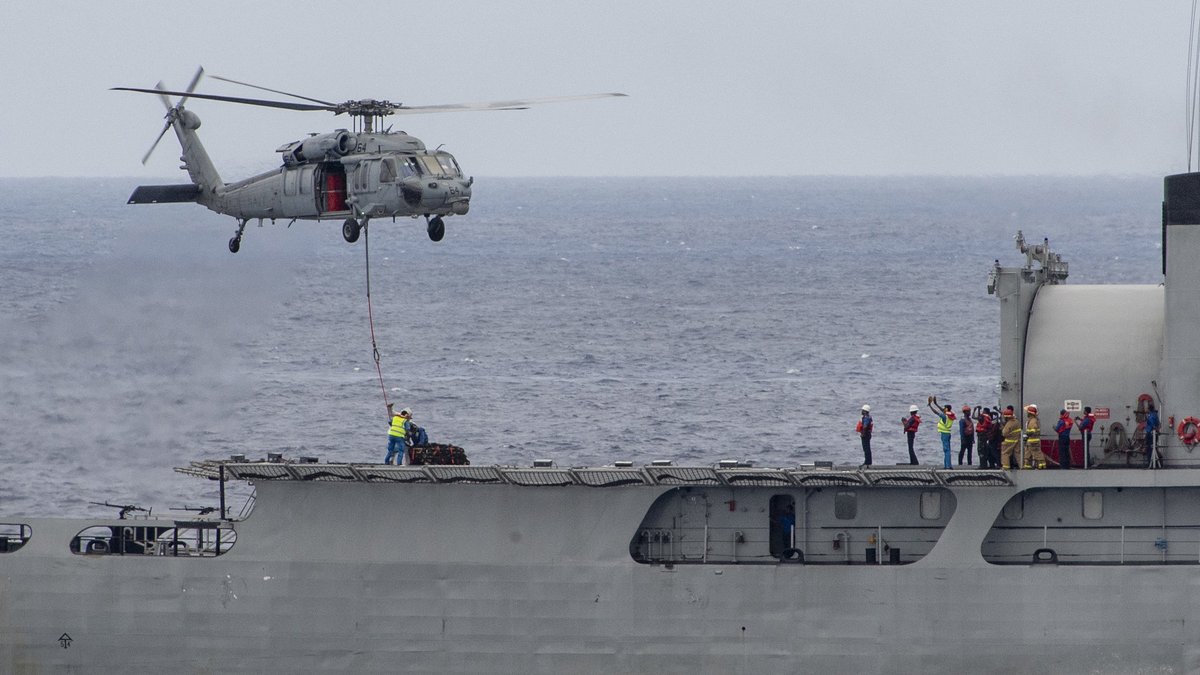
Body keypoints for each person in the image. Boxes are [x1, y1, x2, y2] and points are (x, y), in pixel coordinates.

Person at [928, 396, 955, 469]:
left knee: (946, 450)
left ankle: (948, 466)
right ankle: (947, 465)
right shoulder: (951, 414)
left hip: (944, 433)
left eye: (944, 408)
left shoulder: (944, 416)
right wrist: (936, 404)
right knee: (948, 450)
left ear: (946, 409)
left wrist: (930, 406)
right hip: (948, 433)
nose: (943, 409)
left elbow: (936, 412)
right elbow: (942, 410)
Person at [1023, 404, 1046, 469]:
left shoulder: (1033, 421)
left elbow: (1032, 430)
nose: (1026, 413)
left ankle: (1041, 465)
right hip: (1031, 440)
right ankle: (1027, 465)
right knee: (1028, 454)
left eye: (1027, 412)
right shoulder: (1033, 420)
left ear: (1030, 413)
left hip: (1033, 440)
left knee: (1036, 453)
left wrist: (1027, 434)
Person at [1000, 405, 1021, 470]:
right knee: (1018, 454)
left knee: (1005, 453)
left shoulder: (1009, 424)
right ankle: (1022, 466)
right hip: (1017, 440)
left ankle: (1006, 467)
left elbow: (1004, 433)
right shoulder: (1017, 421)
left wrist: (1002, 428)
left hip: (1009, 441)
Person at [1145, 402, 1161, 468]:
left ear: (1149, 409)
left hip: (1150, 434)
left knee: (1149, 449)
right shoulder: (1155, 415)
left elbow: (1152, 425)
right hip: (1155, 434)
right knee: (1154, 448)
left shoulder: (1150, 416)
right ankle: (1156, 463)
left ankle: (1150, 464)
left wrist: (1154, 429)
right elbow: (1159, 424)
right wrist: (1157, 430)